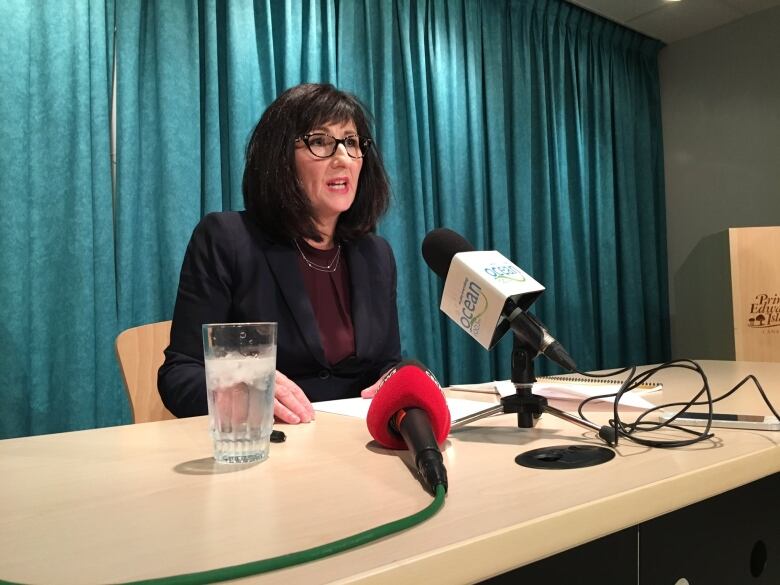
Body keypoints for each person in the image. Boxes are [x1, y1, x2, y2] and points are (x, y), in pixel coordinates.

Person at [158, 83, 401, 424]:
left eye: (351, 142)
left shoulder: (376, 255)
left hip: (357, 444)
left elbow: (388, 363)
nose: (343, 157)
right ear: (281, 158)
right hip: (267, 447)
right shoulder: (228, 239)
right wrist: (245, 392)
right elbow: (180, 374)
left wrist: (401, 378)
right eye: (320, 142)